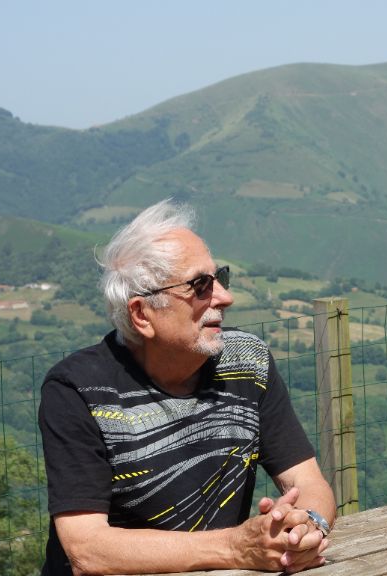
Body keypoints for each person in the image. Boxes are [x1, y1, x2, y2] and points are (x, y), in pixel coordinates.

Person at [38, 200, 335, 575]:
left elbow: (308, 480)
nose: (225, 298)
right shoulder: (76, 390)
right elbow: (88, 549)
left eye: (219, 278)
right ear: (141, 314)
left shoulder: (247, 362)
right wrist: (235, 548)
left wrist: (305, 528)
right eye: (200, 286)